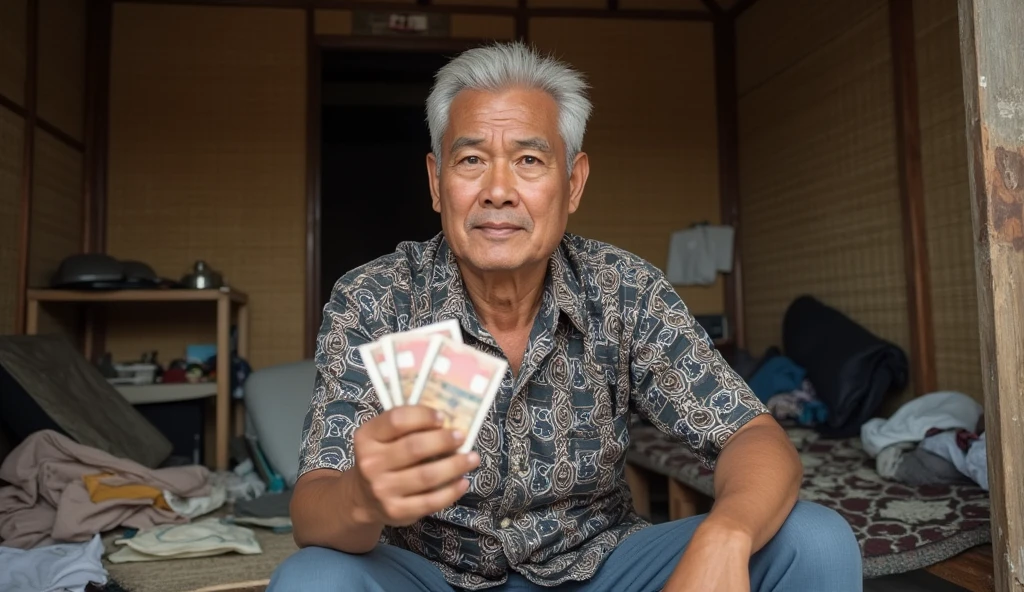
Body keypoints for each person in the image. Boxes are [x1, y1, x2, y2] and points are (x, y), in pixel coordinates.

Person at [270, 41, 861, 592]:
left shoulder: (625, 289)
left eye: (529, 159)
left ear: (572, 183)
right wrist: (360, 498)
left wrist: (724, 532)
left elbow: (753, 436)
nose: (498, 190)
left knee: (813, 541)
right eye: (471, 159)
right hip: (430, 575)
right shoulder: (375, 296)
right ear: (436, 181)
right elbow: (312, 505)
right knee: (312, 578)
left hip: (601, 568)